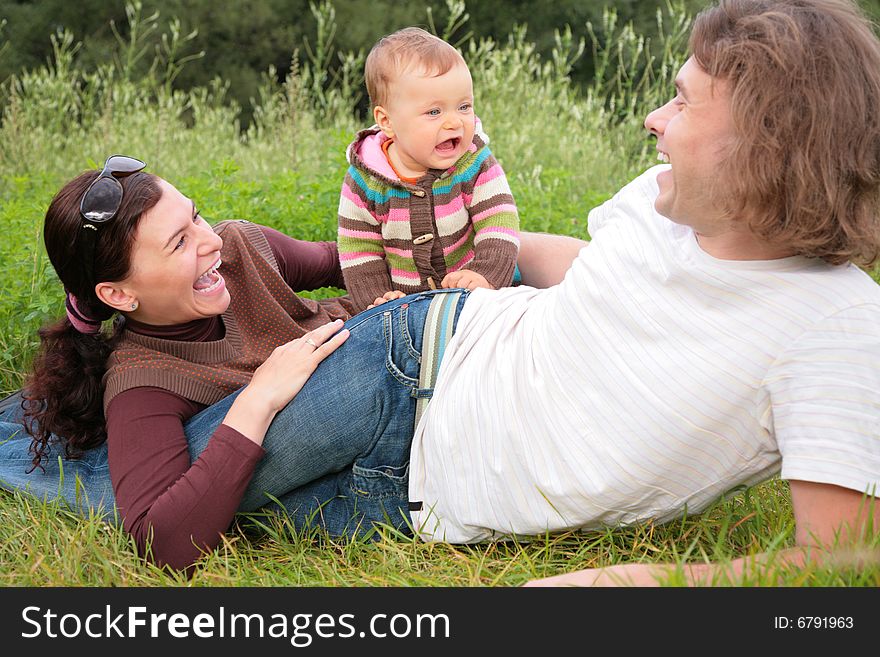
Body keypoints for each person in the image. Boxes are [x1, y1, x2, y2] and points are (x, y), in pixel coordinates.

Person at [2, 0, 879, 585]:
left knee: (165, 490)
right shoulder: (661, 201)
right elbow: (598, 273)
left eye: (682, 104)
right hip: (401, 364)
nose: (654, 120)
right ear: (118, 290)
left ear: (765, 147)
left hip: (415, 471)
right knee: (118, 485)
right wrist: (471, 256)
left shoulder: (834, 328)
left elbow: (842, 557)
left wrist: (641, 577)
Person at [336, 27, 520, 312]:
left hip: (476, 294)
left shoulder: (473, 162)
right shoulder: (366, 180)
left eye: (463, 106)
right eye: (434, 112)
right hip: (407, 308)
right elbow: (360, 250)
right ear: (387, 121)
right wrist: (378, 299)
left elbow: (499, 219)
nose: (454, 123)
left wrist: (485, 275)